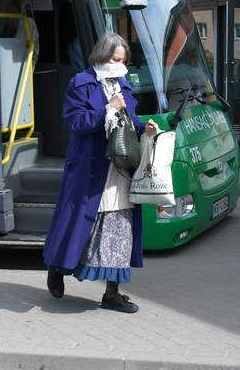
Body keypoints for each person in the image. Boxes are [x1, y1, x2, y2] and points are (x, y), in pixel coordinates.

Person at [43, 32, 156, 313]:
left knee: (119, 232)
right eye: (115, 59)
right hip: (88, 169)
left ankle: (112, 294)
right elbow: (77, 122)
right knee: (76, 224)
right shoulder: (80, 84)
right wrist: (107, 107)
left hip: (119, 171)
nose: (119, 64)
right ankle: (55, 267)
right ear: (101, 56)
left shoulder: (125, 87)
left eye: (123, 60)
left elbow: (130, 121)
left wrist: (145, 128)